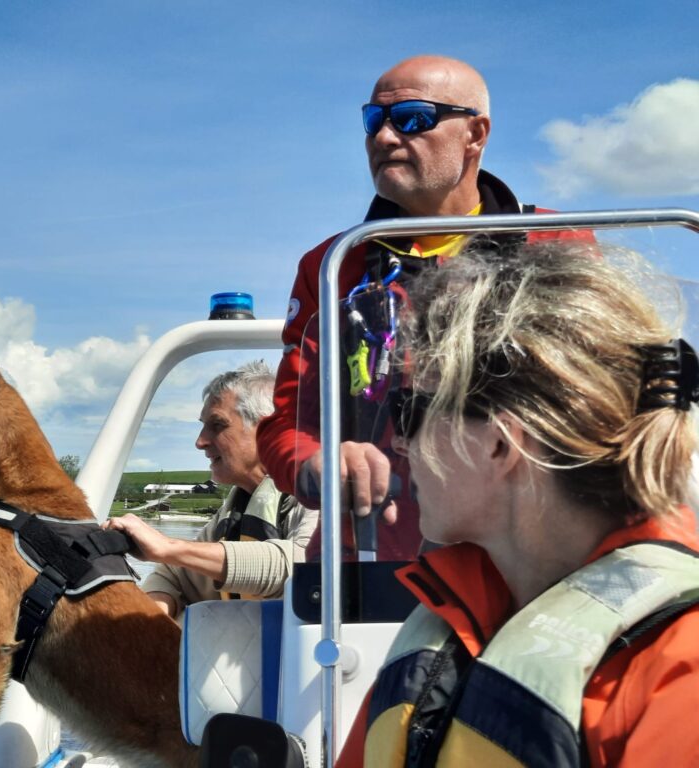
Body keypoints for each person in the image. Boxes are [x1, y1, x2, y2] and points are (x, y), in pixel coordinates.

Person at [339, 241, 699, 766]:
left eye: (410, 410)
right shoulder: (456, 619)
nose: (398, 442)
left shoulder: (679, 671)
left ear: (502, 442)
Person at [255, 55, 593, 560]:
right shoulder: (331, 267)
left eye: (413, 118)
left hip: (527, 563)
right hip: (369, 572)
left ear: (475, 134)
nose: (385, 137)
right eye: (375, 120)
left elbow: (602, 403)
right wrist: (319, 462)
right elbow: (287, 422)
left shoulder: (554, 243)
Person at [104, 361, 319, 620]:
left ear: (267, 430)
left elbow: (305, 564)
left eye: (217, 425)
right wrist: (153, 619)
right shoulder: (236, 507)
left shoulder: (316, 492)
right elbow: (173, 575)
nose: (200, 441)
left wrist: (169, 547)